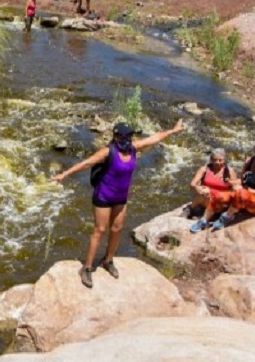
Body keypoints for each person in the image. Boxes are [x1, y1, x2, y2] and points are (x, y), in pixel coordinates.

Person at [52, 118, 186, 288]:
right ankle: (86, 268)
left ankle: (108, 260)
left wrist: (173, 131)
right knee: (100, 230)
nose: (126, 140)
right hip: (103, 197)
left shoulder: (133, 148)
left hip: (121, 198)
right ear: (115, 137)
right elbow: (86, 163)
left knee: (117, 229)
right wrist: (64, 175)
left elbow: (155, 138)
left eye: (129, 137)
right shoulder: (108, 152)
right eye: (123, 137)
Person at [190, 140, 255, 233]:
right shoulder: (249, 161)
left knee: (241, 193)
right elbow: (243, 180)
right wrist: (231, 183)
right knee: (219, 196)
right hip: (243, 196)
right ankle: (204, 221)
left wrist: (246, 189)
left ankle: (228, 216)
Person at [185, 148, 236, 218]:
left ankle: (208, 216)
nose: (217, 162)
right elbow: (192, 184)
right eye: (215, 160)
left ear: (224, 160)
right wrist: (197, 188)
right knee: (205, 191)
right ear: (211, 160)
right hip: (206, 198)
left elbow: (235, 188)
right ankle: (191, 210)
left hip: (221, 201)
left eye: (220, 160)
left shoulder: (229, 172)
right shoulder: (204, 169)